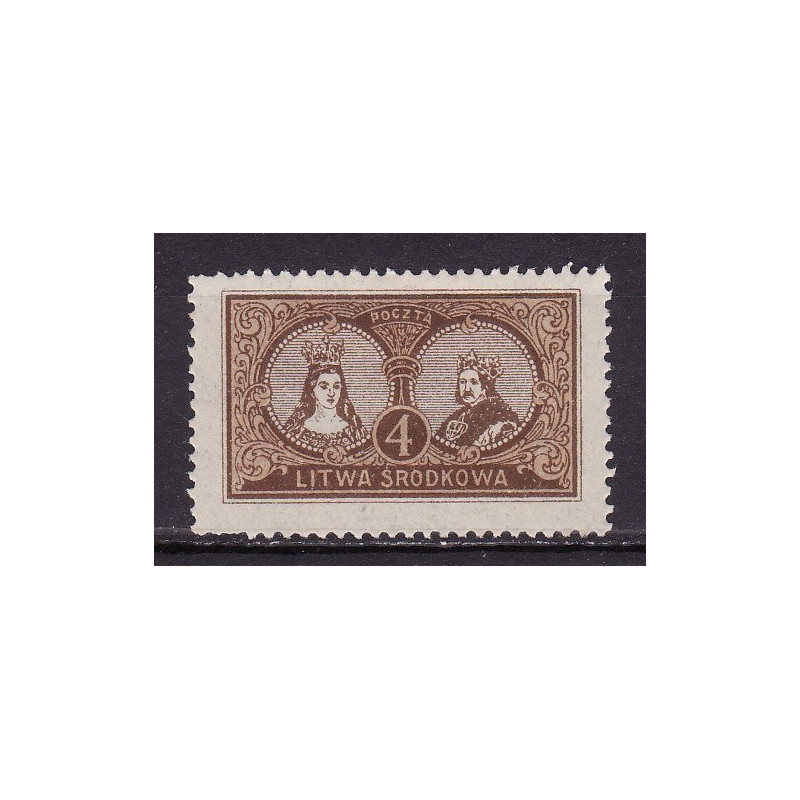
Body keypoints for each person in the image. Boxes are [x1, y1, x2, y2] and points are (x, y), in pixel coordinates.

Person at [285, 336, 366, 449]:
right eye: (324, 387)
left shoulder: (354, 431)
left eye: (336, 387)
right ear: (312, 391)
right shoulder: (296, 430)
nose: (331, 393)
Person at [436, 350, 519, 447]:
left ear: (485, 387)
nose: (467, 388)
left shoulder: (501, 419)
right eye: (462, 382)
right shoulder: (458, 416)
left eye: (473, 382)